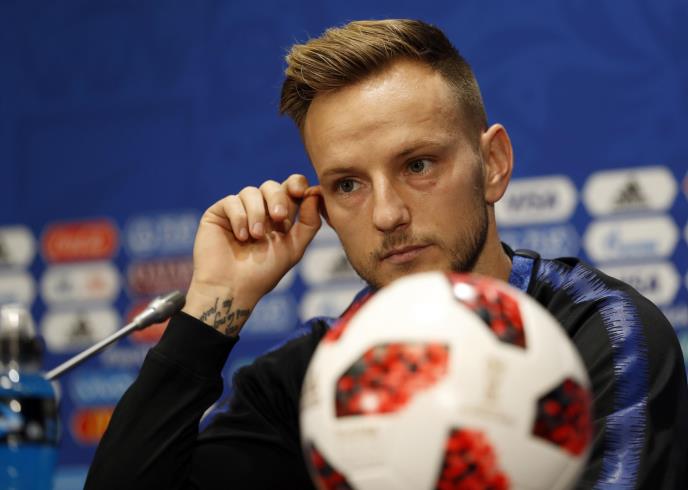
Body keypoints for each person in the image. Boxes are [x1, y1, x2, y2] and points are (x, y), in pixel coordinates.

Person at [85, 19, 688, 489]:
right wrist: (213, 307)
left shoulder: (601, 332)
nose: (387, 214)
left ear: (493, 165)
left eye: (418, 165)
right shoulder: (309, 378)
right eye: (348, 184)